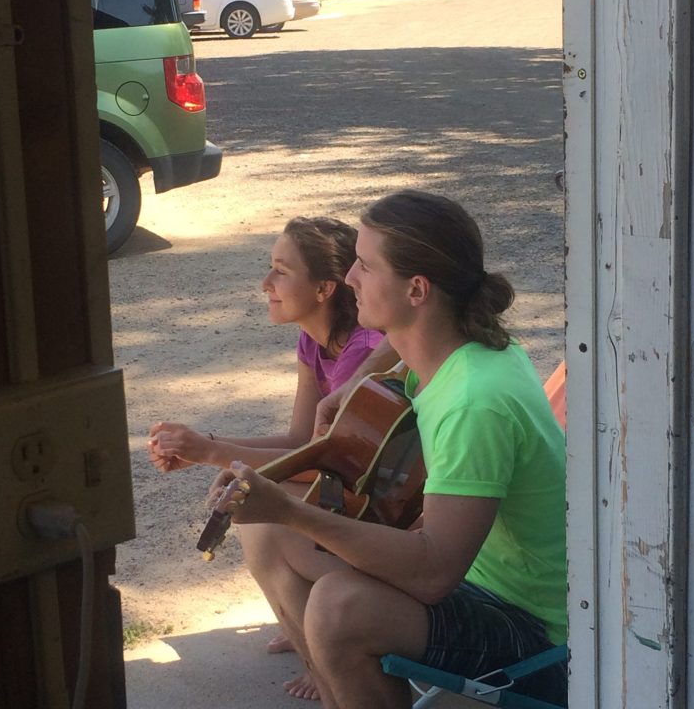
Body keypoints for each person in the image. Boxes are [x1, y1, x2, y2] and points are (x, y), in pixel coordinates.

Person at [209, 190, 568, 708]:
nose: (350, 278)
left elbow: (432, 573)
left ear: (417, 289)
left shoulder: (474, 403)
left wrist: (289, 507)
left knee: (339, 607)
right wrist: (352, 382)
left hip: (537, 632)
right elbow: (397, 341)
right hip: (479, 579)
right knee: (272, 535)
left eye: (365, 266)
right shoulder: (462, 342)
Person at [147, 215, 384, 696]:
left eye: (281, 270)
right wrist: (204, 448)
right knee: (254, 510)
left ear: (323, 289)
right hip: (350, 492)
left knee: (257, 520)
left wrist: (215, 453)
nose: (265, 283)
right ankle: (306, 631)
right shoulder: (313, 340)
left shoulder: (362, 351)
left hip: (373, 509)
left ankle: (325, 657)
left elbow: (329, 465)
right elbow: (302, 439)